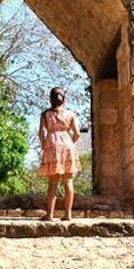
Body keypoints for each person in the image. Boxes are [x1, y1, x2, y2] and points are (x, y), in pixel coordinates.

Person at [37, 87, 81, 221]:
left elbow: (41, 133)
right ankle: (68, 214)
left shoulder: (45, 114)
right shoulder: (71, 114)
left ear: (51, 98)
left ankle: (49, 215)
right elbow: (77, 133)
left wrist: (45, 144)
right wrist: (70, 144)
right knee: (68, 181)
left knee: (53, 182)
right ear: (64, 99)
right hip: (67, 144)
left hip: (52, 144)